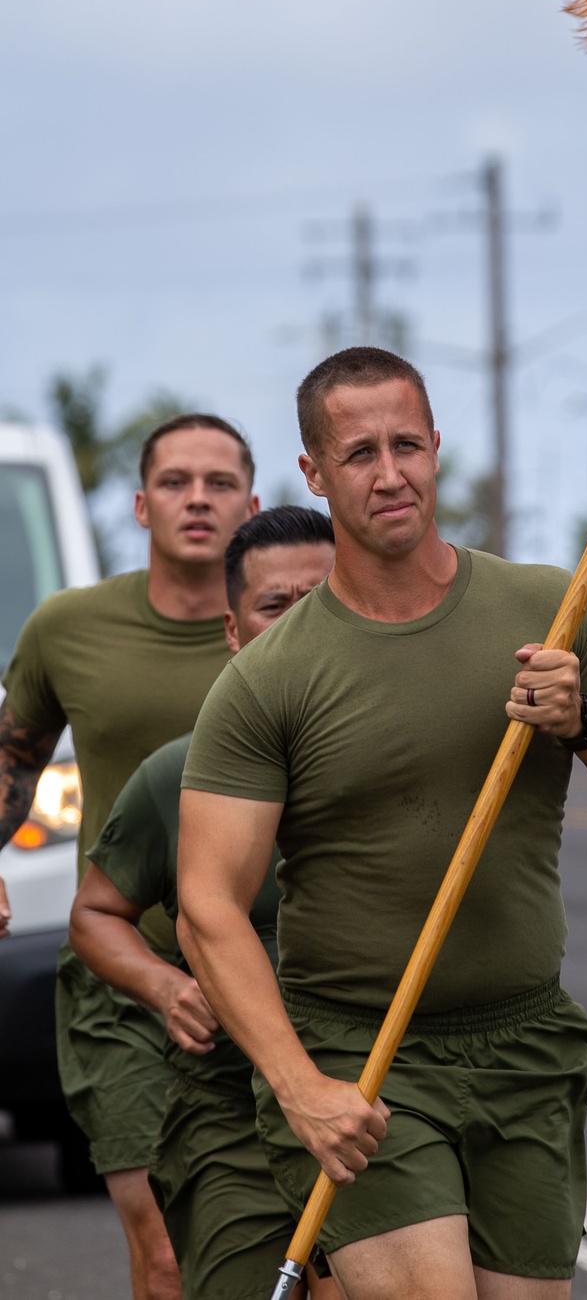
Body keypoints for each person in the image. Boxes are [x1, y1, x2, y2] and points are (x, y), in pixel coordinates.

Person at [177, 347, 587, 1300]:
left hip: (527, 1044)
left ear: (436, 449)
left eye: (407, 445)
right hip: (363, 1060)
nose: (389, 475)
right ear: (314, 474)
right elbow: (206, 906)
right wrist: (301, 1088)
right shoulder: (269, 678)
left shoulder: (551, 607)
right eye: (360, 453)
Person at [0, 413, 259, 1300]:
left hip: (282, 976)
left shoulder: (300, 625)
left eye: (219, 483)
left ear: (253, 504)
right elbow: (15, 753)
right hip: (123, 980)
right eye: (176, 482)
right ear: (141, 506)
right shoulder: (69, 628)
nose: (198, 499)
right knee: (164, 1251)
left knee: (284, 1249)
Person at [68, 505, 340, 1300]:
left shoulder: (406, 762)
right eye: (274, 607)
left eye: (323, 601)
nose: (300, 627)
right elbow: (95, 914)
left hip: (385, 1098)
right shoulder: (177, 776)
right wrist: (167, 986)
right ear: (233, 629)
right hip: (234, 1111)